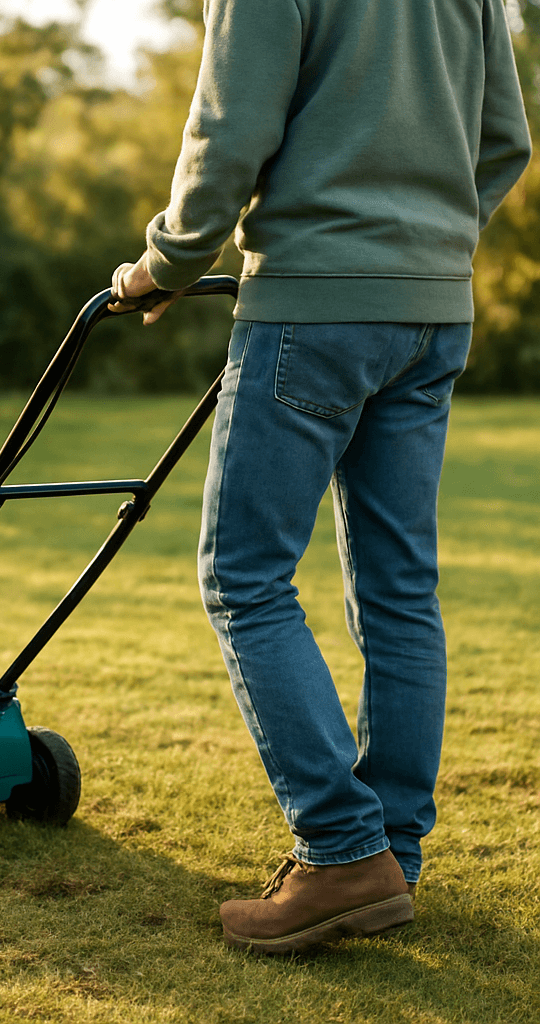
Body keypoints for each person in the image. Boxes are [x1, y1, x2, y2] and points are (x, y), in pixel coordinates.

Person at [110, 0, 531, 954]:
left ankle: (344, 851)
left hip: (314, 304)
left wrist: (163, 265)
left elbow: (229, 132)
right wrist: (427, 248)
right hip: (434, 310)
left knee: (244, 577)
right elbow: (505, 141)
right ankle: (390, 857)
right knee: (400, 588)